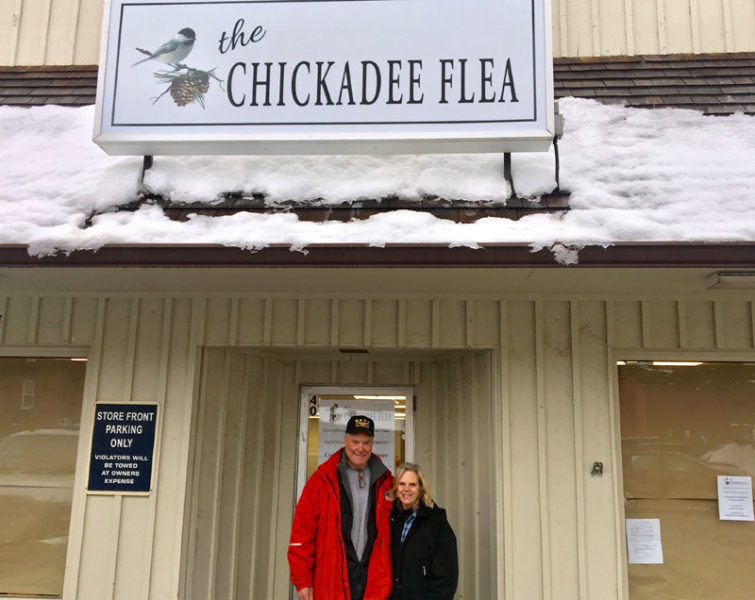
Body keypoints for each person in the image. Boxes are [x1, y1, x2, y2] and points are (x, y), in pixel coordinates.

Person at [288, 415, 394, 600]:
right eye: (355, 441)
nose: (360, 448)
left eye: (366, 443)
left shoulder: (386, 483)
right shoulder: (321, 481)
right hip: (332, 583)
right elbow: (301, 535)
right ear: (345, 441)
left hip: (375, 582)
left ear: (372, 444)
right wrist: (303, 581)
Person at [389, 463, 458, 600]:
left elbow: (446, 578)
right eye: (402, 484)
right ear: (396, 488)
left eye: (412, 485)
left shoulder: (436, 523)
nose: (406, 489)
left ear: (420, 488)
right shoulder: (391, 519)